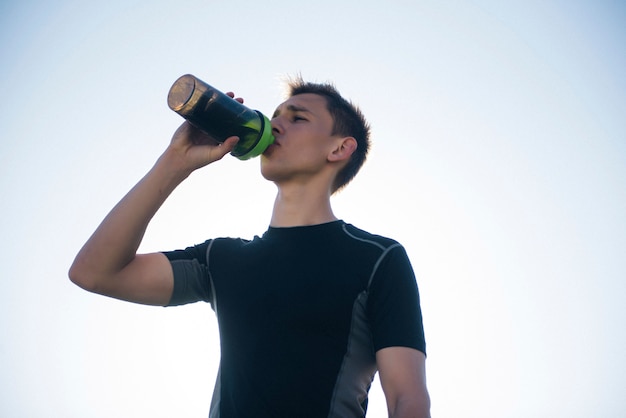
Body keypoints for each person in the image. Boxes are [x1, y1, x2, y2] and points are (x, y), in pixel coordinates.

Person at [69, 77, 430, 418]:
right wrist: (175, 162)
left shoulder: (377, 258)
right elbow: (95, 272)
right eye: (273, 117)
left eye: (297, 118)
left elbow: (406, 399)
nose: (275, 126)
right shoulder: (222, 260)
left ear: (339, 148)